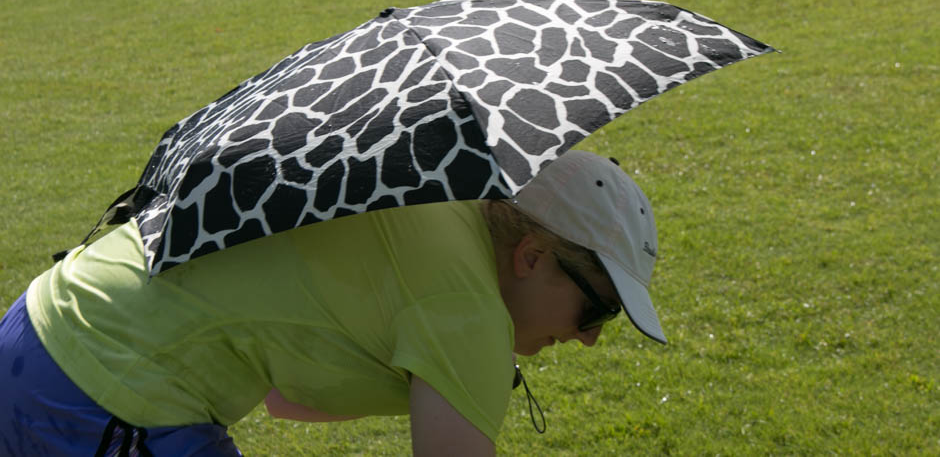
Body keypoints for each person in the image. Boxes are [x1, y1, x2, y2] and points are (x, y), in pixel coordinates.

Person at [0, 149, 666, 456]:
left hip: (38, 325)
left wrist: (430, 380)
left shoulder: (430, 188)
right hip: (104, 392)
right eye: (597, 309)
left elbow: (287, 397)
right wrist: (464, 372)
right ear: (531, 257)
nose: (589, 339)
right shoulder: (468, 314)